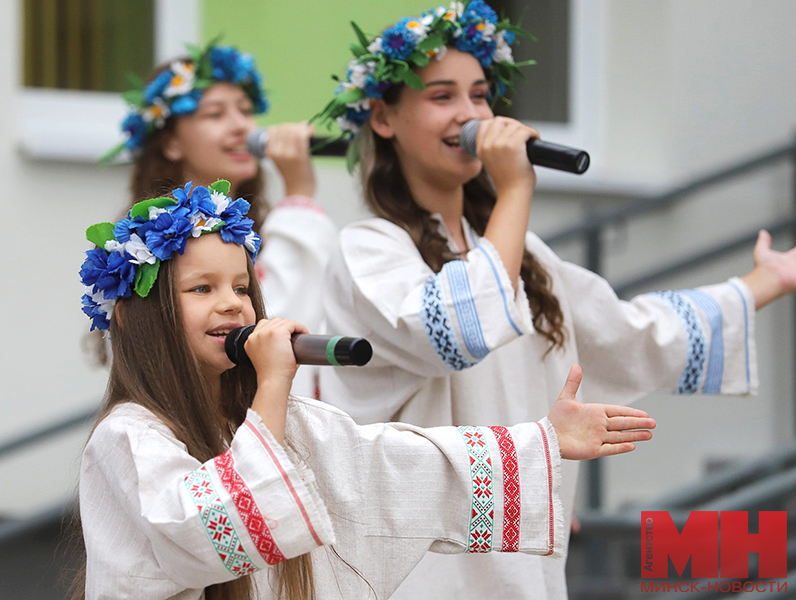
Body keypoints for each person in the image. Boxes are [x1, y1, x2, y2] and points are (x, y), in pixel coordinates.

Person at [314, 2, 796, 598]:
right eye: (442, 97)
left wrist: (766, 281)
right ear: (384, 118)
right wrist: (516, 186)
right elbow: (456, 333)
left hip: (515, 550)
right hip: (421, 565)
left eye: (481, 94)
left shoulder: (529, 255)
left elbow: (630, 333)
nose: (469, 114)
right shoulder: (367, 249)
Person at [74, 181, 656, 600]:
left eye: (240, 286)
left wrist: (541, 444)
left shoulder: (287, 422)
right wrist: (274, 382)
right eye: (201, 288)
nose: (232, 302)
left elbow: (398, 465)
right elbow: (211, 531)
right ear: (132, 316)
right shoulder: (126, 438)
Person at [99, 42, 337, 395]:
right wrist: (299, 194)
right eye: (215, 114)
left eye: (245, 110)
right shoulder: (146, 247)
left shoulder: (261, 227)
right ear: (172, 144)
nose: (241, 126)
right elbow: (264, 334)